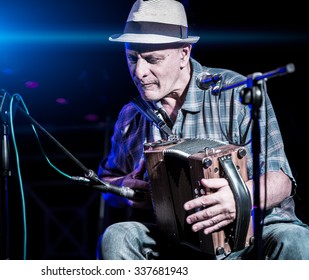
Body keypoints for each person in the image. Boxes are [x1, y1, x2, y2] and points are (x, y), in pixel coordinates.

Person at [95, 0, 309, 260]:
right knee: (118, 236)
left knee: (294, 239)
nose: (140, 72)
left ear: (184, 53)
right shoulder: (131, 116)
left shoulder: (236, 92)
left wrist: (238, 199)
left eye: (153, 59)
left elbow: (281, 181)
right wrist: (124, 187)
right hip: (176, 242)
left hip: (251, 237)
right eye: (132, 58)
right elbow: (108, 181)